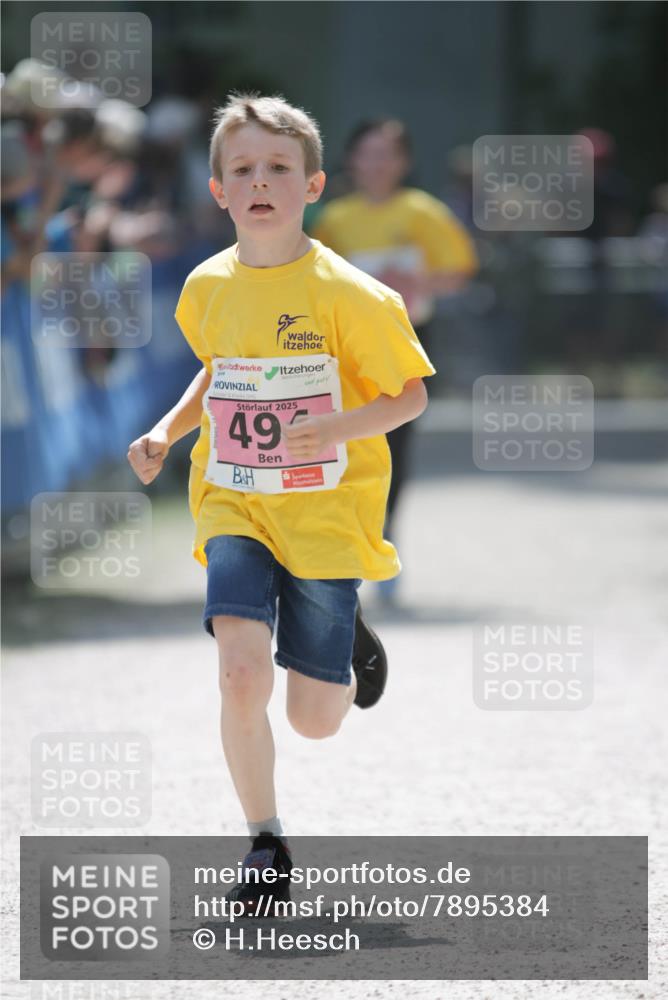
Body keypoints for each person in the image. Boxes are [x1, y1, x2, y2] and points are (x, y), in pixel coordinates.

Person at [127, 94, 435, 912]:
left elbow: (409, 397)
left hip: (326, 512)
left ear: (313, 185)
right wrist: (164, 431)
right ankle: (265, 839)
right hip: (234, 498)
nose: (260, 181)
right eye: (243, 169)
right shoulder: (205, 287)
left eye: (279, 168)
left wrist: (335, 423)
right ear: (219, 190)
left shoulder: (355, 296)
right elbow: (218, 372)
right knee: (237, 675)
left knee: (315, 721)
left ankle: (346, 631)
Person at [312, 118, 478, 603]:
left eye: (387, 154)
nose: (377, 164)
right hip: (344, 353)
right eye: (368, 153)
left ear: (403, 162)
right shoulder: (334, 219)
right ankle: (345, 547)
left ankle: (384, 534)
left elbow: (460, 270)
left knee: (395, 447)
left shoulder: (423, 212)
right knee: (344, 444)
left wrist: (420, 285)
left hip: (406, 342)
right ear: (351, 160)